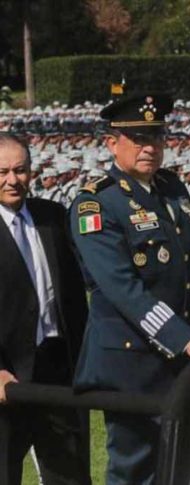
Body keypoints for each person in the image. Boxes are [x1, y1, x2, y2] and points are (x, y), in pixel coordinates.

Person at [69, 94, 190, 485]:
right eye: (138, 139)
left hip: (181, 360)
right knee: (136, 470)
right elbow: (124, 290)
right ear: (112, 143)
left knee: (183, 466)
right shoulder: (97, 202)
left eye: (156, 138)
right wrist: (186, 339)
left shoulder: (172, 190)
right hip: (133, 362)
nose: (149, 148)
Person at [0, 133, 90, 485]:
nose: (12, 180)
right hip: (7, 376)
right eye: (3, 171)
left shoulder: (52, 216)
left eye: (20, 170)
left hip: (58, 369)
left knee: (68, 474)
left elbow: (75, 297)